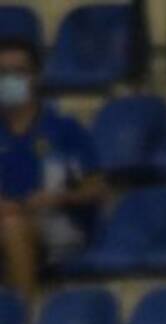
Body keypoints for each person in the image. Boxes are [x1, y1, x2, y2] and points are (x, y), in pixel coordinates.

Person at [0, 37, 104, 300]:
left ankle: (22, 317)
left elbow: (97, 188)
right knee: (9, 223)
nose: (9, 81)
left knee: (12, 226)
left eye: (18, 72)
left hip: (58, 222)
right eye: (2, 74)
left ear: (35, 77)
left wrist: (59, 197)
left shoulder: (64, 129)